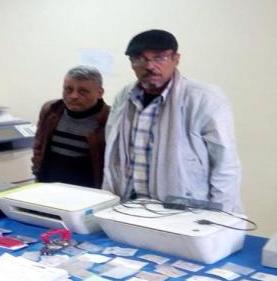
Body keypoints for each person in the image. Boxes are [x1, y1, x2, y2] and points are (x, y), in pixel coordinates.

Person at [102, 29, 243, 212]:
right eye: (140, 59)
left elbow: (225, 165)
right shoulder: (124, 96)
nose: (149, 66)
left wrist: (220, 216)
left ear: (176, 59)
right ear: (131, 63)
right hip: (130, 207)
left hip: (183, 212)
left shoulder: (204, 98)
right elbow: (114, 155)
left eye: (159, 57)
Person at [32, 66, 110, 188]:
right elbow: (39, 146)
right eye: (68, 89)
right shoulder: (51, 110)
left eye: (82, 91)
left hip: (88, 191)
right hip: (48, 187)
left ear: (99, 93)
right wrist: (37, 174)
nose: (74, 96)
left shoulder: (109, 119)